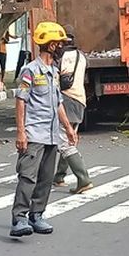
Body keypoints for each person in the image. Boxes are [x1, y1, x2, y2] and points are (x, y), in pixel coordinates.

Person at [11, 22, 79, 238]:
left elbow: (58, 102)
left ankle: (37, 215)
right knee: (28, 176)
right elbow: (21, 101)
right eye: (59, 44)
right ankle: (19, 218)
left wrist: (68, 127)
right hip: (34, 133)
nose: (61, 47)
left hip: (51, 135)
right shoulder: (30, 71)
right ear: (50, 45)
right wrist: (21, 132)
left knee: (46, 178)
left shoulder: (54, 72)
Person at [53, 28, 94, 194]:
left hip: (66, 101)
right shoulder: (82, 56)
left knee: (64, 142)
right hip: (80, 100)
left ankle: (83, 179)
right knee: (69, 139)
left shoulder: (59, 57)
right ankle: (59, 176)